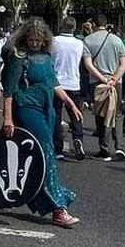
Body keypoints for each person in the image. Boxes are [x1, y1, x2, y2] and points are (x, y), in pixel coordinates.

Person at [2, 18, 83, 228]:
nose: (35, 43)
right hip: (27, 107)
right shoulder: (18, 56)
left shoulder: (45, 56)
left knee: (32, 155)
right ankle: (57, 207)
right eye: (31, 39)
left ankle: (16, 193)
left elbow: (54, 82)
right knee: (46, 151)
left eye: (39, 40)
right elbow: (9, 90)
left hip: (47, 108)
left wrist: (69, 103)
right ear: (25, 38)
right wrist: (8, 118)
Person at [83, 14, 125, 160]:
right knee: (117, 113)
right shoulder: (117, 40)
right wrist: (114, 79)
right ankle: (119, 147)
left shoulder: (88, 40)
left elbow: (88, 64)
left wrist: (102, 78)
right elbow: (124, 63)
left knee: (100, 114)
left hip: (97, 82)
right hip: (116, 83)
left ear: (95, 25)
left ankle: (104, 148)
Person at [51, 17, 86, 160]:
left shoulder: (54, 41)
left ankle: (58, 148)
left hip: (58, 82)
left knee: (56, 116)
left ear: (61, 26)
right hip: (74, 82)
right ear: (74, 28)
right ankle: (78, 138)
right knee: (75, 114)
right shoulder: (79, 43)